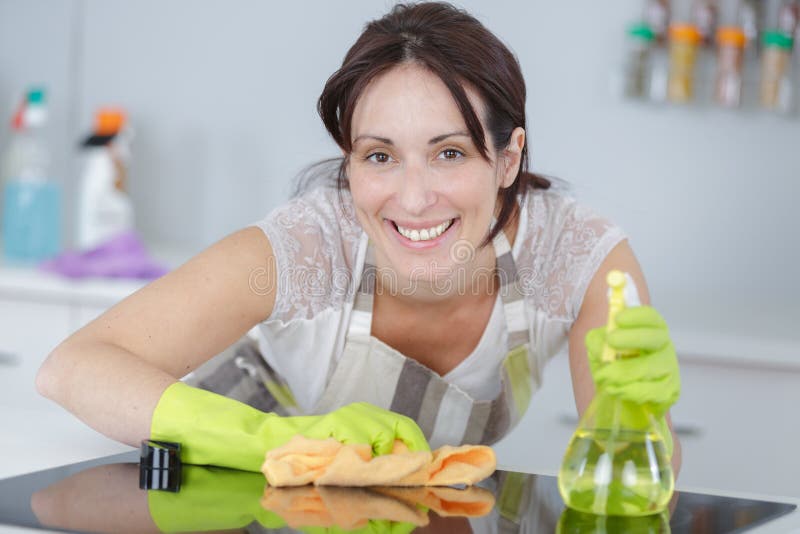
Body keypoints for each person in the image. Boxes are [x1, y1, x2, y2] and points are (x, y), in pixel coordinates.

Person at [36, 2, 681, 476]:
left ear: (509, 158)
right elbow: (73, 368)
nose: (412, 196)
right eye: (379, 157)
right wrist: (287, 442)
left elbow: (631, 475)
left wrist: (640, 423)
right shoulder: (314, 245)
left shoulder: (574, 258)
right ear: (349, 162)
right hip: (219, 494)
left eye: (450, 152)